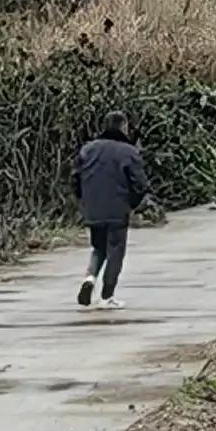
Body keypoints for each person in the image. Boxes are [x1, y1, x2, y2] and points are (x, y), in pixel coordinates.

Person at [73, 120, 152, 307]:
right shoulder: (128, 152)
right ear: (123, 127)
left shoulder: (87, 150)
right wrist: (131, 204)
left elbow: (75, 178)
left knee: (98, 247)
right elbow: (140, 184)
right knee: (115, 251)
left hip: (93, 208)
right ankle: (107, 296)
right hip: (117, 209)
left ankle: (89, 278)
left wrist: (84, 201)